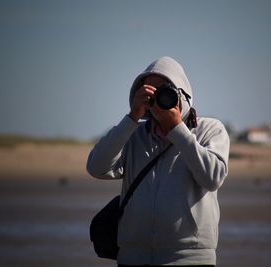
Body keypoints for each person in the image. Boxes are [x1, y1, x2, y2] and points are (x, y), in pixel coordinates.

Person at [86, 56, 230, 267]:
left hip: (190, 259)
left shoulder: (209, 130)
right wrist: (131, 117)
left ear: (182, 94)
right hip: (132, 257)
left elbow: (213, 177)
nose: (158, 97)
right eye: (148, 92)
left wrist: (177, 129)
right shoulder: (133, 135)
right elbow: (96, 167)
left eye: (165, 90)